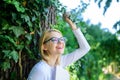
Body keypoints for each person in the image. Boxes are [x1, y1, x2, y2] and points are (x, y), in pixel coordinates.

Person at [27, 13, 91, 80]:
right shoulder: (39, 70)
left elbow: (85, 48)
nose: (60, 42)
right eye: (54, 39)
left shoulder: (61, 62)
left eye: (62, 39)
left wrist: (72, 25)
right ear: (44, 47)